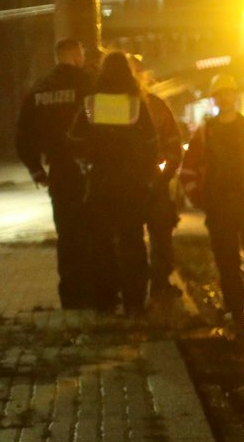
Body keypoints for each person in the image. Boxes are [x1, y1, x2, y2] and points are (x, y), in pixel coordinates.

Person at [179, 74, 244, 341]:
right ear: (215, 98)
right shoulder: (206, 131)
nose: (225, 98)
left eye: (229, 93)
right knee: (228, 266)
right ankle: (238, 318)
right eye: (220, 94)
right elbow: (188, 170)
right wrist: (201, 200)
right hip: (220, 208)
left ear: (235, 96)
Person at [67, 51, 159, 315]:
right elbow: (152, 144)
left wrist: (90, 156)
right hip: (131, 184)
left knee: (101, 243)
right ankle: (135, 301)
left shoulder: (90, 104)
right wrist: (144, 174)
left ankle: (105, 300)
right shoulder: (136, 105)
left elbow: (73, 141)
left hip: (100, 182)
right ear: (129, 75)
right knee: (132, 241)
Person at [14, 38, 96, 308]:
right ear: (76, 55)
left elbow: (23, 137)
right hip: (89, 170)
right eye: (81, 54)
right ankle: (93, 293)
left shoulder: (39, 89)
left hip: (59, 172)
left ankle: (70, 296)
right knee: (92, 231)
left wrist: (38, 171)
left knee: (67, 235)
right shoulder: (88, 84)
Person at [133, 60, 187, 302]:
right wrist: (165, 175)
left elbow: (173, 145)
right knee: (158, 234)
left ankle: (138, 288)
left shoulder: (105, 105)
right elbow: (174, 144)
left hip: (131, 182)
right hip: (150, 181)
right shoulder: (155, 106)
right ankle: (157, 284)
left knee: (140, 236)